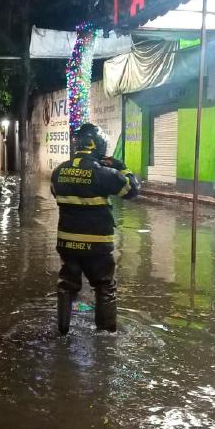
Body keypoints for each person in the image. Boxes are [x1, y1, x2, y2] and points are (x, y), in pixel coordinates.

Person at [50, 123, 140, 335]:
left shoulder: (58, 172)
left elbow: (56, 195)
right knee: (104, 286)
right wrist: (121, 166)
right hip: (97, 244)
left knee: (66, 285)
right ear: (98, 145)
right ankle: (106, 336)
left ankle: (62, 332)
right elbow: (133, 190)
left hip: (66, 242)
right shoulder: (104, 173)